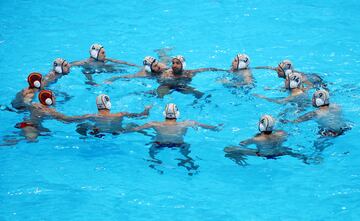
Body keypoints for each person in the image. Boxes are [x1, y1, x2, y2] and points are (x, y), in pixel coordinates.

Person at [130, 103, 221, 175]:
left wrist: (147, 109)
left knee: (152, 153)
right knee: (187, 155)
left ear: (164, 114)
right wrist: (217, 127)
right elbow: (208, 127)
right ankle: (189, 165)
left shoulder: (154, 123)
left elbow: (135, 129)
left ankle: (155, 163)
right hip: (179, 144)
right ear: (177, 114)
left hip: (159, 144)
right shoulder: (186, 123)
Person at [224, 115, 308, 165]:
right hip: (280, 153)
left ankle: (240, 159)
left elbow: (242, 144)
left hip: (264, 155)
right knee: (290, 151)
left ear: (261, 126)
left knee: (228, 149)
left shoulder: (257, 139)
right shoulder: (281, 134)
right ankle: (305, 159)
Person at [12, 90, 87, 142]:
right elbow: (67, 119)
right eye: (54, 98)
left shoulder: (34, 105)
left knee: (48, 132)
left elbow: (22, 104)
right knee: (31, 140)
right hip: (30, 127)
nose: (55, 99)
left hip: (26, 123)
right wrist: (85, 117)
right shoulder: (49, 111)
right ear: (48, 100)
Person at [75, 94, 152, 137]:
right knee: (132, 124)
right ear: (108, 104)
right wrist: (147, 109)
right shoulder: (120, 114)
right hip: (117, 132)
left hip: (98, 132)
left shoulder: (91, 116)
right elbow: (142, 116)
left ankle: (84, 138)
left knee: (82, 125)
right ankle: (148, 135)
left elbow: (68, 120)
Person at [283, 90, 350, 137]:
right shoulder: (336, 106)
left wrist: (286, 121)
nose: (312, 101)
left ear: (318, 101)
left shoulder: (315, 113)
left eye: (313, 99)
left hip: (330, 133)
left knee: (318, 145)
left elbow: (296, 121)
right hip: (344, 129)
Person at [156, 55, 224, 98]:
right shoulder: (167, 73)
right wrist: (163, 78)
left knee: (200, 94)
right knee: (159, 95)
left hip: (182, 87)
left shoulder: (189, 73)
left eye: (177, 63)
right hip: (167, 86)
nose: (174, 65)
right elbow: (158, 79)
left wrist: (225, 70)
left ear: (183, 65)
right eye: (173, 63)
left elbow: (208, 69)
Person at [70, 43, 138, 84]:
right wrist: (93, 82)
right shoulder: (86, 63)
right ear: (95, 54)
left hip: (103, 70)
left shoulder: (104, 59)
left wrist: (135, 66)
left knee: (121, 69)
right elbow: (73, 64)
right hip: (94, 71)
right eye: (103, 53)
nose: (105, 55)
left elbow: (120, 62)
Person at [255, 59, 326, 89]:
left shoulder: (299, 79)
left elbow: (310, 86)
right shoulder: (284, 71)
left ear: (286, 72)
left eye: (279, 70)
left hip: (314, 79)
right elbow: (269, 67)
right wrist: (253, 68)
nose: (276, 70)